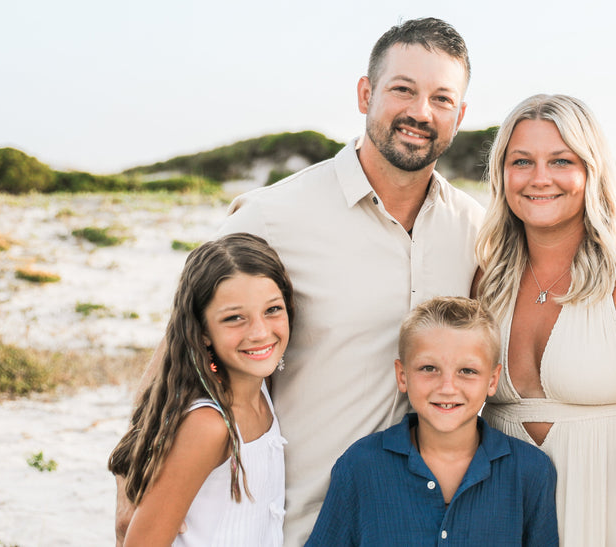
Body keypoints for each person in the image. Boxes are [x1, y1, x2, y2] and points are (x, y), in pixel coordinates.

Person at [113, 18, 485, 547]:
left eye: (441, 99)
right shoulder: (274, 214)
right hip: (293, 523)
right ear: (365, 93)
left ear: (460, 114)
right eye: (403, 89)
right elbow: (181, 343)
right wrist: (132, 479)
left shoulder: (473, 229)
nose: (420, 112)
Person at [475, 94, 616, 546]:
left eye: (561, 160)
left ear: (591, 171)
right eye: (522, 161)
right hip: (506, 525)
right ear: (502, 174)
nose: (540, 178)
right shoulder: (486, 280)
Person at [305, 297, 558, 546]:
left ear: (492, 381)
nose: (447, 387)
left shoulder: (530, 471)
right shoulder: (360, 466)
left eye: (467, 371)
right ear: (402, 376)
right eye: (429, 368)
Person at [109, 233, 293, 546]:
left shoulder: (263, 391)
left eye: (272, 310)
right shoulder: (208, 425)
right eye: (234, 318)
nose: (260, 332)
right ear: (203, 331)